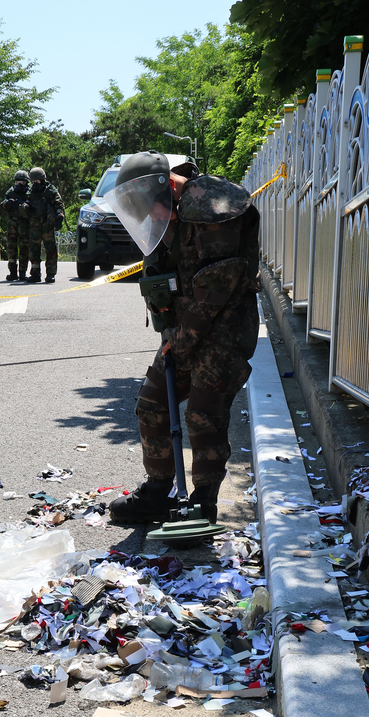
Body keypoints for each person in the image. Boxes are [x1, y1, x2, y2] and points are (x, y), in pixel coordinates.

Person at [106, 150, 260, 525]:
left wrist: (179, 336)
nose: (148, 214)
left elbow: (217, 286)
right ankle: (158, 492)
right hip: (185, 329)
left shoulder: (212, 204)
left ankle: (202, 505)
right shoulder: (170, 213)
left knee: (203, 415)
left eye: (148, 202)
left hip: (223, 330)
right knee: (151, 402)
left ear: (166, 186)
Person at [26, 167, 65, 284]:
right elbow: (27, 201)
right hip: (34, 224)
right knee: (33, 250)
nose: (34, 184)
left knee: (50, 250)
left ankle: (51, 274)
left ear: (42, 180)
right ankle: (35, 273)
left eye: (36, 181)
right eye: (33, 181)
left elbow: (59, 204)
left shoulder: (50, 190)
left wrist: (59, 217)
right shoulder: (31, 191)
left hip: (47, 224)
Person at [0, 169, 31, 281]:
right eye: (17, 181)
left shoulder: (29, 193)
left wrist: (26, 205)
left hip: (25, 225)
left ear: (26, 182)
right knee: (11, 248)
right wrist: (7, 203)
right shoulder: (10, 192)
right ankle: (12, 272)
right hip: (12, 224)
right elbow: (3, 205)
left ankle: (22, 272)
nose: (19, 184)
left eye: (22, 182)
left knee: (24, 249)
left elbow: (34, 206)